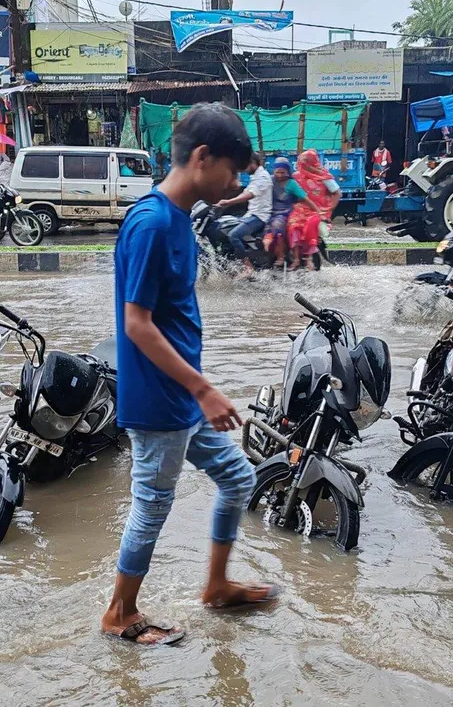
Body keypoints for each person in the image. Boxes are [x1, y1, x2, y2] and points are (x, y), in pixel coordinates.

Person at [101, 103, 278, 647]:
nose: (236, 183)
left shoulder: (180, 218)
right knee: (152, 504)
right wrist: (202, 387)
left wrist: (198, 389)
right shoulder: (152, 223)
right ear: (202, 158)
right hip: (162, 399)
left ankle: (217, 585)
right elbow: (137, 324)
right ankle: (119, 613)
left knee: (239, 478)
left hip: (183, 397)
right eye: (233, 170)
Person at [214, 153, 272, 278]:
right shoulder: (255, 177)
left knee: (233, 235)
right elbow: (243, 192)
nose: (245, 168)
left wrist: (229, 202)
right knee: (223, 225)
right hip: (250, 214)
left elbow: (249, 195)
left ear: (254, 163)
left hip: (259, 217)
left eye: (246, 165)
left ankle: (248, 267)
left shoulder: (262, 177)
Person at [287, 150, 340, 271]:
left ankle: (309, 258)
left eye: (306, 162)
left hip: (318, 210)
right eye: (303, 162)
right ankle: (295, 258)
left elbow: (337, 193)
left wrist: (329, 208)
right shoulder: (296, 176)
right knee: (293, 224)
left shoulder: (324, 177)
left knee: (311, 224)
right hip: (300, 209)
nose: (304, 165)